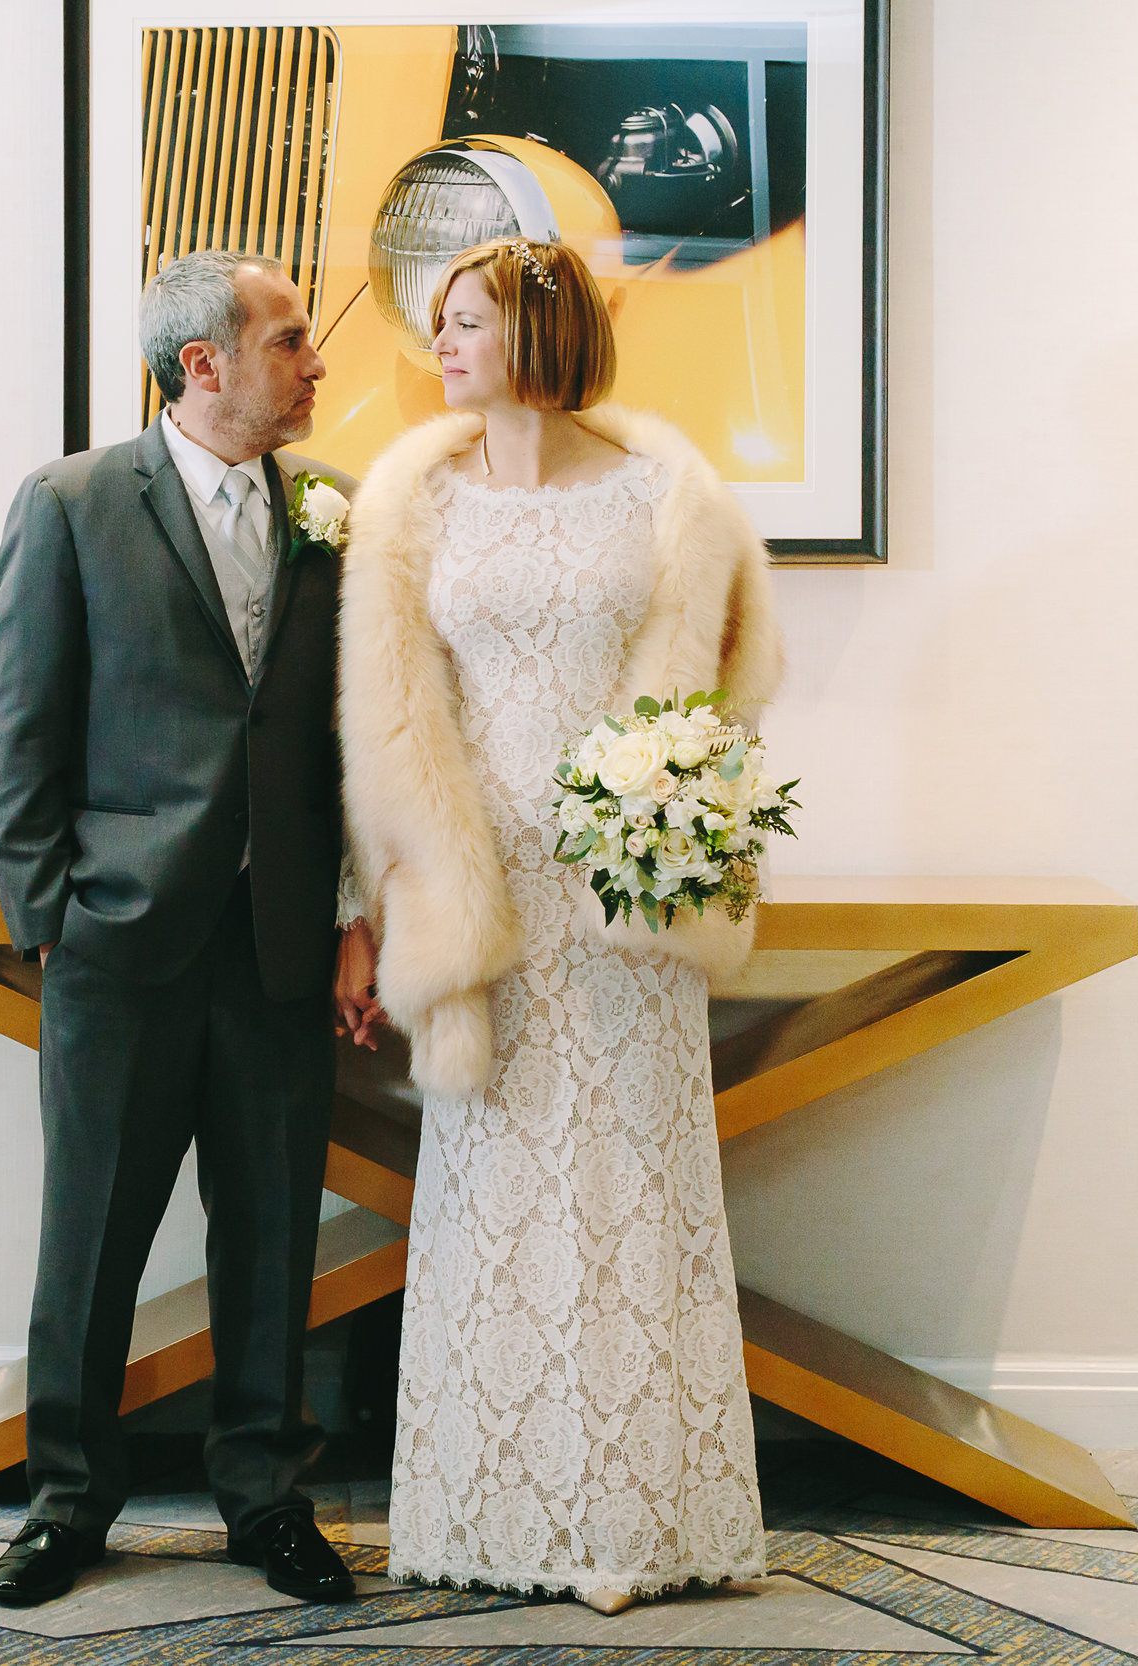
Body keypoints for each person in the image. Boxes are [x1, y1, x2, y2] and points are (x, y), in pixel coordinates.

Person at [333, 238, 782, 1612]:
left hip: (617, 898)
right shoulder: (413, 500)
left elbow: (733, 677)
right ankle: (496, 1511)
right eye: (441, 322)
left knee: (635, 1188)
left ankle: (634, 1519)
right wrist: (374, 901)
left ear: (538, 331)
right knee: (497, 1199)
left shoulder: (665, 494)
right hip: (484, 903)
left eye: (465, 321)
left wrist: (676, 811)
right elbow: (382, 726)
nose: (442, 344)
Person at [0, 249, 360, 1609]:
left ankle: (267, 1499)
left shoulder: (335, 511)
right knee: (89, 1238)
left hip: (279, 943)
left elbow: (350, 735)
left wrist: (352, 915)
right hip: (120, 942)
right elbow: (22, 724)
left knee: (272, 1235)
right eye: (290, 339)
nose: (315, 362)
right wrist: (50, 916)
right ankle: (67, 1502)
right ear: (204, 363)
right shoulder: (73, 503)